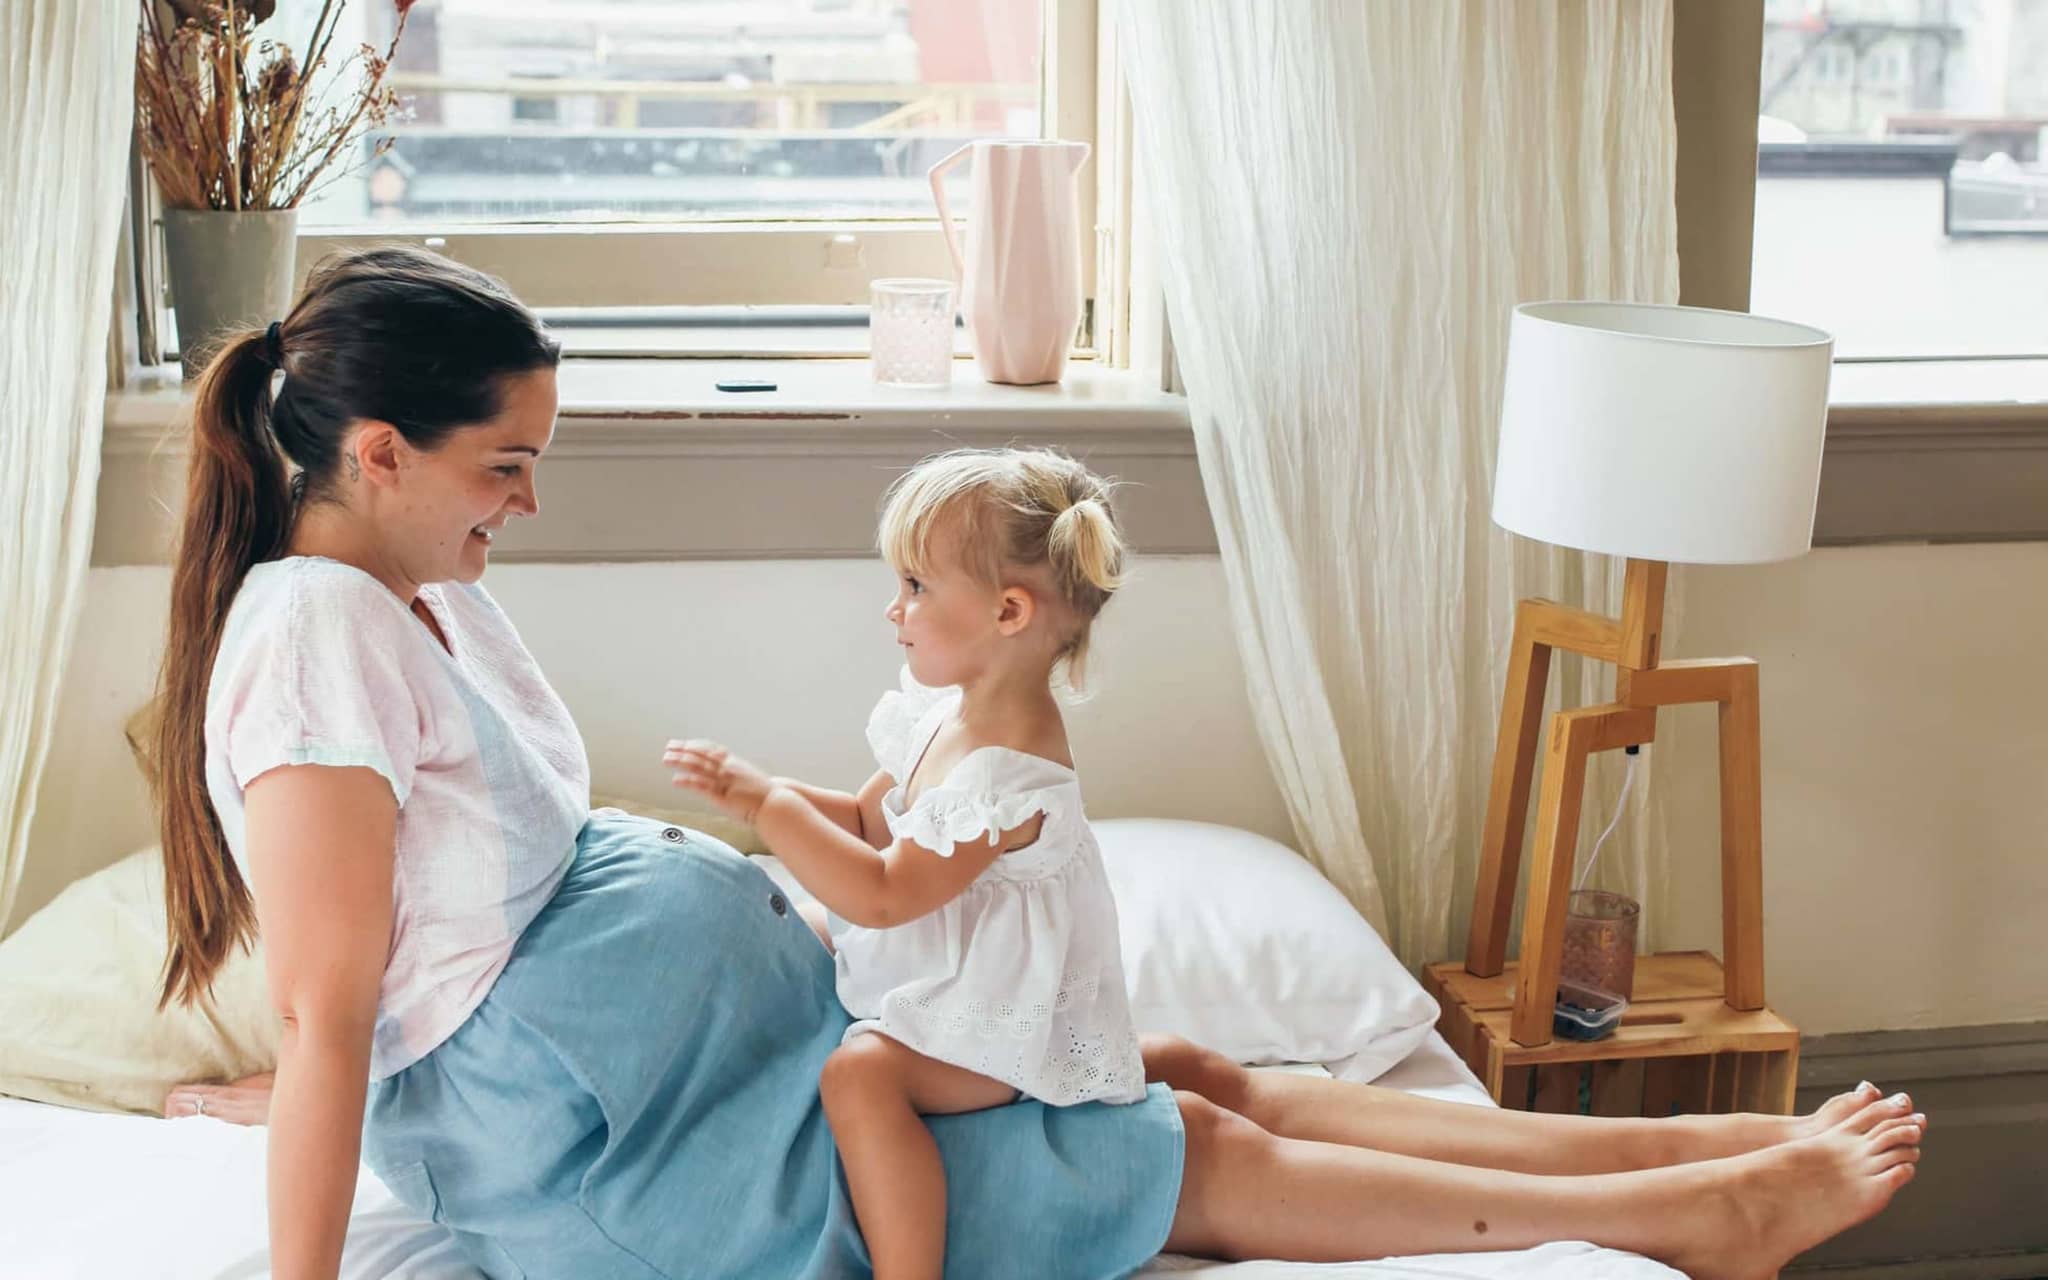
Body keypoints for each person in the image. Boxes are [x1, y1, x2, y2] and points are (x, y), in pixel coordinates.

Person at [157, 245, 1923, 1280]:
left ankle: (1667, 1145)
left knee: (1182, 1062)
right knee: (1163, 1149)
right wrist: (326, 1142)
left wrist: (361, 1075)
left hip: (709, 1066)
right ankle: (1712, 1208)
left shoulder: (400, 595)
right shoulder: (316, 630)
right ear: (378, 454)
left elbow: (390, 957)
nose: (529, 500)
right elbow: (334, 1008)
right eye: (503, 467)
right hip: (658, 1155)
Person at [666, 448, 1146, 1280]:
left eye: (917, 588)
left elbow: (888, 894)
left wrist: (766, 809)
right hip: (939, 968)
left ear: (1007, 612)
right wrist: (764, 790)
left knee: (862, 1079)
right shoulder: (949, 716)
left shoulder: (1009, 773)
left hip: (995, 1025)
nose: (895, 611)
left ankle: (905, 1269)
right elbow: (866, 819)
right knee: (798, 928)